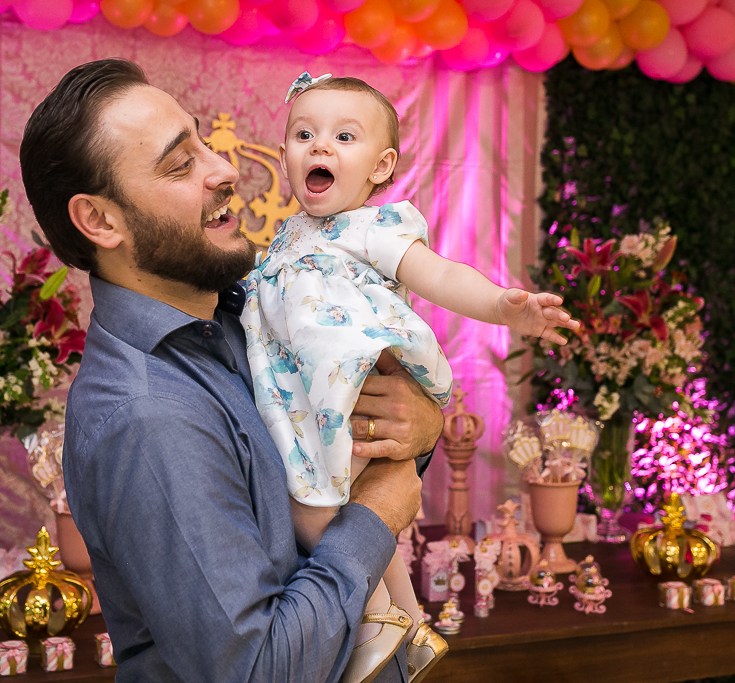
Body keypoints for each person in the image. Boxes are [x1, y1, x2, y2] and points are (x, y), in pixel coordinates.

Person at [19, 59, 446, 683]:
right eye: (180, 164)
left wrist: (419, 426)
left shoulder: (255, 312)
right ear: (101, 221)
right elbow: (257, 669)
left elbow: (353, 438)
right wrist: (377, 513)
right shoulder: (147, 415)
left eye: (202, 144)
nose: (224, 169)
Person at [243, 73, 579, 683]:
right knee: (351, 516)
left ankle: (378, 622)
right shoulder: (284, 239)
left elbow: (442, 275)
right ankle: (413, 625)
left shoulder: (373, 227)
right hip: (303, 403)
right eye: (304, 134)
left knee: (317, 510)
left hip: (356, 391)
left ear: (381, 166)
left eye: (344, 136)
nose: (320, 146)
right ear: (284, 153)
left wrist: (503, 306)